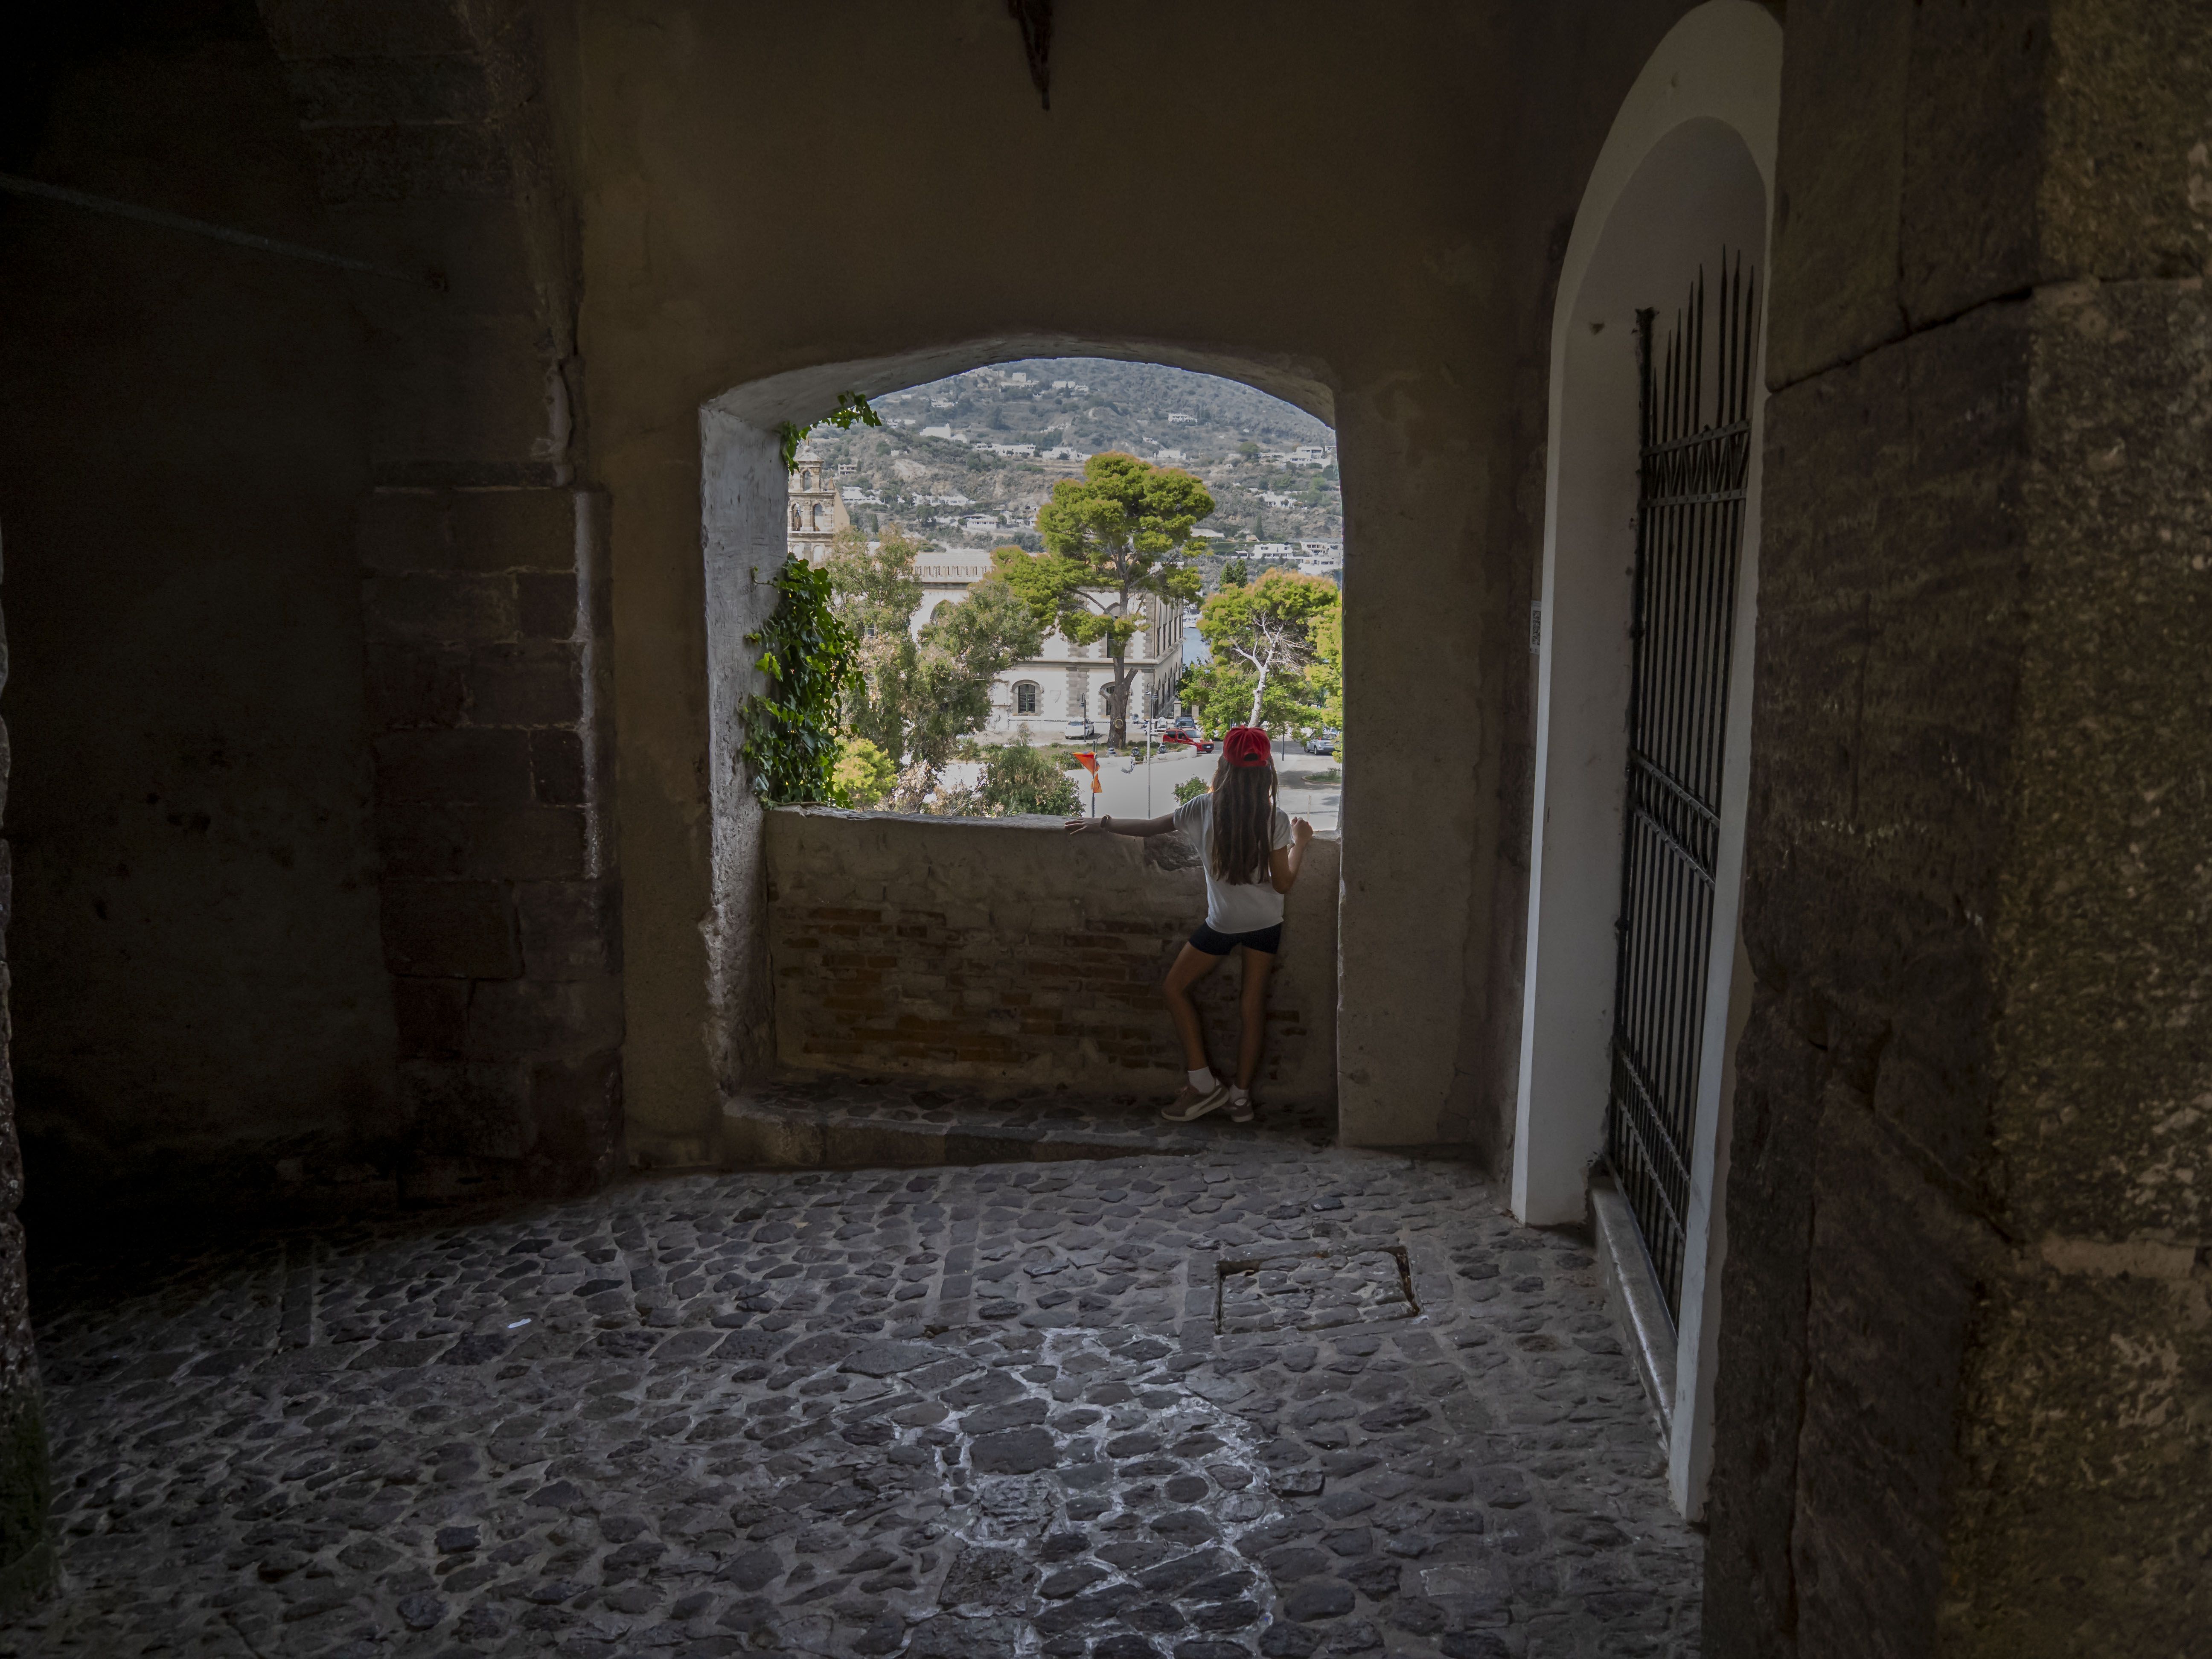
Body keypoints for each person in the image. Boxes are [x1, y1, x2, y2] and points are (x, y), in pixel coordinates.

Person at [1065, 725, 1314, 1121]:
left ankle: (1203, 1084)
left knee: (1175, 988)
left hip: (1222, 924)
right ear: (1266, 770)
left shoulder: (1202, 808)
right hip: (1267, 923)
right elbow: (1283, 882)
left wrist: (1105, 824)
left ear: (1223, 767)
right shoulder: (1276, 820)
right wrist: (1302, 841)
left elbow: (1151, 828)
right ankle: (1241, 1098)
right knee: (1252, 1008)